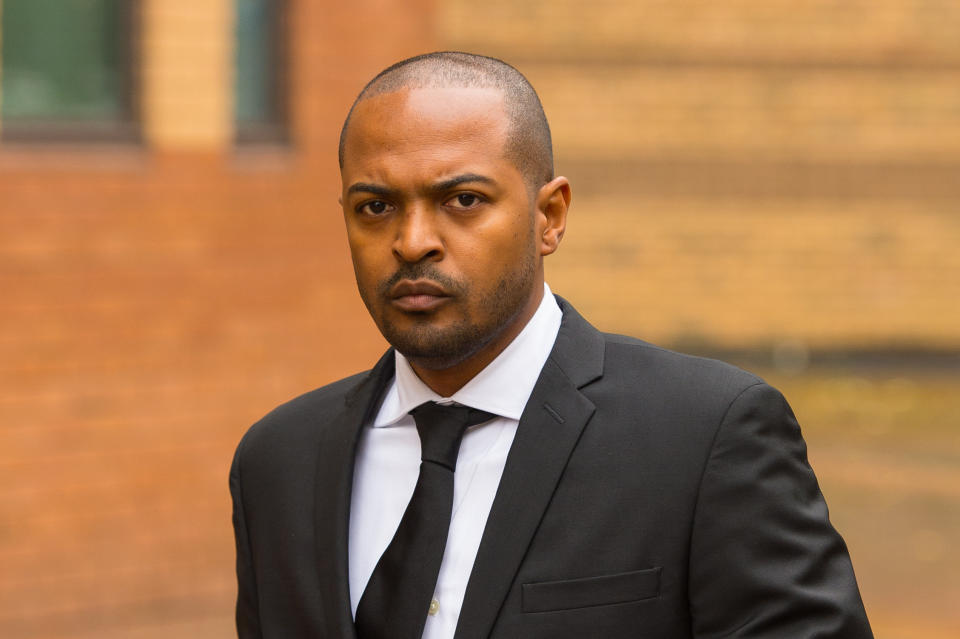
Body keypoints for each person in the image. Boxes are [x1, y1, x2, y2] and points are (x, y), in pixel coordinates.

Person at [230, 52, 873, 639]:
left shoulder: (704, 437)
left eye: (462, 199)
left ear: (550, 217)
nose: (413, 241)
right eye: (376, 207)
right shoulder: (279, 461)